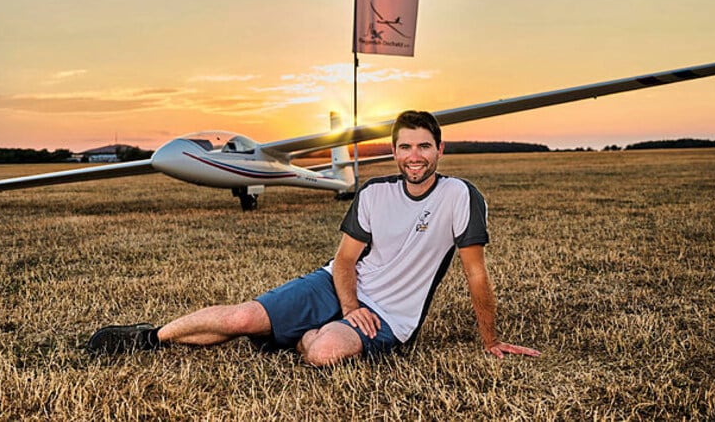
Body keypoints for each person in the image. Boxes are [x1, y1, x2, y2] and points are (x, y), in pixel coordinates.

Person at [87, 110, 540, 365]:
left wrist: (489, 340)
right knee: (244, 319)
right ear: (394, 151)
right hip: (336, 288)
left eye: (424, 146)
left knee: (321, 353)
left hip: (393, 317)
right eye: (405, 146)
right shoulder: (374, 193)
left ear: (441, 149)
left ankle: (304, 335)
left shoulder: (461, 196)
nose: (414, 156)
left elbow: (475, 274)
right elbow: (344, 263)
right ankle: (149, 337)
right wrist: (350, 308)